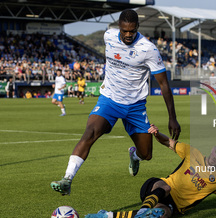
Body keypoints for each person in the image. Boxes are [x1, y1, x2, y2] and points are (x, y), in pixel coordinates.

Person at [50, 9, 181, 196]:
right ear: (119, 26)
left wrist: (172, 118)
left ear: (137, 27)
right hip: (109, 100)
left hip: (135, 106)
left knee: (147, 154)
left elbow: (164, 85)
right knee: (90, 132)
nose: (128, 35)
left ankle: (133, 155)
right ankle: (67, 179)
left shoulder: (148, 49)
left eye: (132, 31)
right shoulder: (108, 36)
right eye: (124, 30)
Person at [83, 124, 216, 218]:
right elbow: (169, 143)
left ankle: (105, 216)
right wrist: (157, 134)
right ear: (213, 148)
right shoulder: (193, 152)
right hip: (157, 187)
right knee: (165, 187)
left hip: (173, 205)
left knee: (161, 215)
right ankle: (143, 210)